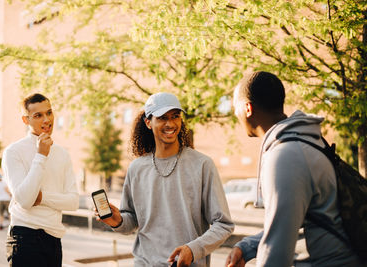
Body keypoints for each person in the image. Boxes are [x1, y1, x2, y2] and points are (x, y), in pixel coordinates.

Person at [225, 71, 362, 267]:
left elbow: (276, 251)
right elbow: (291, 221)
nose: (235, 115)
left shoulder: (285, 156)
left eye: (234, 108)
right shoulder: (305, 141)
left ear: (248, 108)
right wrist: (247, 247)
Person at [97, 92, 235, 267]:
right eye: (162, 118)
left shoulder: (202, 165)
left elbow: (223, 224)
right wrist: (118, 221)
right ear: (148, 122)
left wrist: (193, 249)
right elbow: (132, 221)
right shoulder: (137, 168)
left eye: (175, 116)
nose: (170, 123)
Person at [2, 93, 79, 267]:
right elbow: (25, 199)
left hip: (53, 239)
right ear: (26, 120)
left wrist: (42, 198)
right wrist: (41, 156)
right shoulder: (13, 152)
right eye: (38, 115)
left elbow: (73, 201)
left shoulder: (63, 154)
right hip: (24, 238)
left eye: (49, 113)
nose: (46, 119)